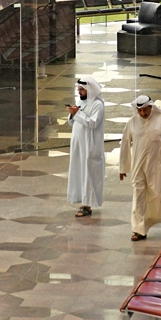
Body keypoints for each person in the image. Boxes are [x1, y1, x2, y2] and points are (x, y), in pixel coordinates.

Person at [119, 95, 161, 241]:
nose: (143, 113)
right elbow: (125, 144)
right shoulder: (132, 122)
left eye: (145, 110)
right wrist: (123, 167)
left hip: (157, 164)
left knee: (158, 194)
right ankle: (139, 230)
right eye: (139, 110)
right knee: (138, 196)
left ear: (151, 107)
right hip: (138, 165)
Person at [66, 77, 106, 218]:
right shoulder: (80, 102)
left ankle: (87, 205)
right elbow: (73, 122)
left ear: (90, 89)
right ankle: (81, 200)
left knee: (88, 174)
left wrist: (77, 113)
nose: (79, 92)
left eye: (82, 89)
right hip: (78, 145)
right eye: (78, 89)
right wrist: (72, 113)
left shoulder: (98, 105)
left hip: (90, 146)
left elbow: (93, 123)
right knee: (79, 172)